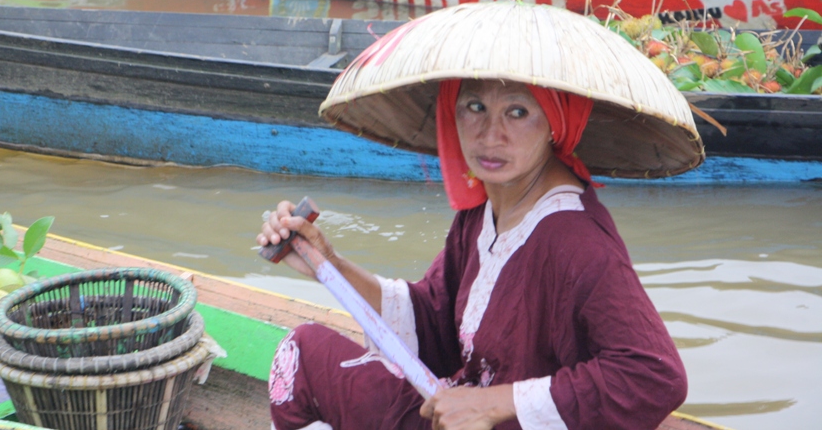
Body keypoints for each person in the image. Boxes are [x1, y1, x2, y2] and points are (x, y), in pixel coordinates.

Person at [257, 77, 688, 430]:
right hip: (457, 412)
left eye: (517, 112)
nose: (490, 135)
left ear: (556, 120)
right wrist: (329, 264)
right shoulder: (486, 210)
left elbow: (654, 377)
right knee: (306, 354)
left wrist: (494, 404)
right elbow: (434, 322)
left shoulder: (575, 238)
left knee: (298, 354)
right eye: (474, 107)